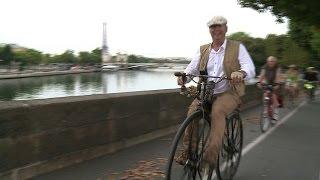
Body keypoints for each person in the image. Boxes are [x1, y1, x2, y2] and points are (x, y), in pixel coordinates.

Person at [176, 16, 256, 168]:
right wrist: (184, 78)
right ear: (209, 31)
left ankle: (210, 156)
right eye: (212, 27)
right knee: (193, 112)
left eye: (219, 26)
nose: (216, 29)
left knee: (218, 110)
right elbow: (192, 68)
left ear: (226, 28)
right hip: (206, 92)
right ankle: (189, 153)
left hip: (229, 92)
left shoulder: (237, 47)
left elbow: (250, 68)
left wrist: (241, 73)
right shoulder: (204, 49)